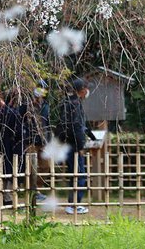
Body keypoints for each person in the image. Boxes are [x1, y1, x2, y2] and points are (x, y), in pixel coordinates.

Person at [57, 78, 96, 215]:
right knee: (79, 175)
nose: (87, 91)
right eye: (86, 88)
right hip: (74, 145)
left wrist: (92, 136)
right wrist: (80, 146)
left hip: (67, 144)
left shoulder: (68, 103)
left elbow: (82, 126)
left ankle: (72, 204)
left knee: (75, 174)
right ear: (82, 90)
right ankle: (74, 205)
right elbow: (77, 127)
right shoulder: (74, 104)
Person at [0, 90, 25, 206]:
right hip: (14, 147)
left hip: (1, 145)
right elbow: (20, 133)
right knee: (13, 171)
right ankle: (9, 197)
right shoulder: (15, 113)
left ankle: (5, 196)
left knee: (4, 170)